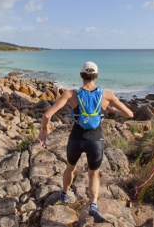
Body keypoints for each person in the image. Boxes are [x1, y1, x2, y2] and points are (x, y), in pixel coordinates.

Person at [38, 61, 134, 223]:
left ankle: (65, 194)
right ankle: (93, 205)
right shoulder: (106, 95)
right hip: (96, 140)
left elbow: (47, 115)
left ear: (81, 75)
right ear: (96, 76)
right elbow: (129, 114)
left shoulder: (70, 94)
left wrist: (44, 132)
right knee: (93, 174)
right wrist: (113, 111)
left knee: (70, 167)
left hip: (76, 138)